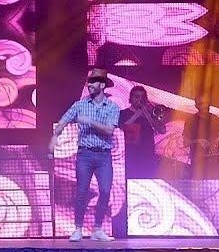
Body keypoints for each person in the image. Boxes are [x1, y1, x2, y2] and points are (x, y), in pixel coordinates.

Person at [47, 69, 120, 242]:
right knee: (81, 191)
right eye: (89, 81)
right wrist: (54, 137)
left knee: (105, 191)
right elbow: (63, 121)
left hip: (103, 156)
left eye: (93, 82)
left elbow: (109, 130)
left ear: (102, 85)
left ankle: (97, 229)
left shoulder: (112, 107)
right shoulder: (79, 105)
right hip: (84, 155)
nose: (89, 84)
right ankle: (78, 229)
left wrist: (89, 121)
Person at [119, 86, 166, 178]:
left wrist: (147, 114)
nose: (140, 100)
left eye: (143, 97)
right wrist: (138, 114)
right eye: (137, 97)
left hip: (148, 155)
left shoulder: (150, 114)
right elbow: (122, 127)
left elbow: (162, 130)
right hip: (131, 155)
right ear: (131, 98)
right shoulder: (123, 113)